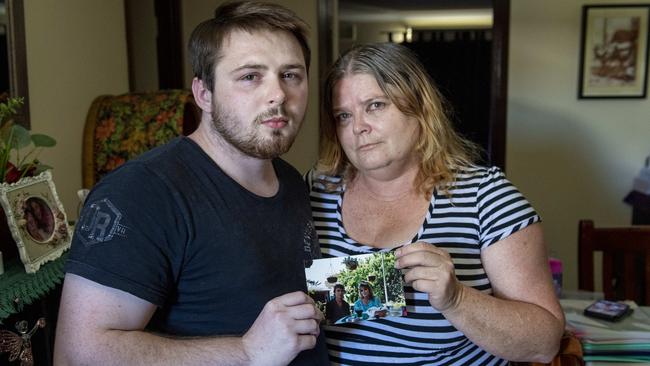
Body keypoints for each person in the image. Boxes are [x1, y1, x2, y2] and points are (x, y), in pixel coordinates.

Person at [54, 2, 329, 365]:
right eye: (250, 76)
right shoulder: (141, 193)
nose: (278, 94)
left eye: (291, 75)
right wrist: (246, 352)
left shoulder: (292, 181)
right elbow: (77, 356)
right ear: (204, 94)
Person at [306, 43, 565, 365]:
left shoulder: (486, 197)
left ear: (420, 108)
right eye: (343, 116)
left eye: (375, 105)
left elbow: (544, 343)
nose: (358, 127)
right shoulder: (314, 192)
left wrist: (456, 299)